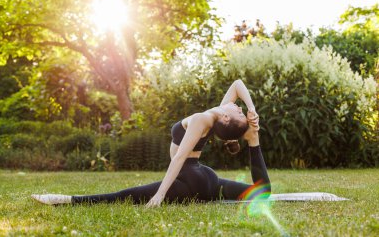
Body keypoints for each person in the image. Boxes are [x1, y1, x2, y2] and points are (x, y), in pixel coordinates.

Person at [31, 80, 271, 207]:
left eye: (240, 112)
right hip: (206, 179)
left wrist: (160, 194)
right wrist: (251, 110)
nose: (239, 107)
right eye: (240, 109)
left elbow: (178, 159)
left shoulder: (203, 119)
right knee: (263, 192)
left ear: (228, 118)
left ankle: (65, 200)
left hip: (190, 179)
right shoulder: (218, 113)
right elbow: (238, 84)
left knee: (126, 195)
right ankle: (254, 141)